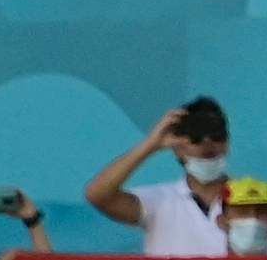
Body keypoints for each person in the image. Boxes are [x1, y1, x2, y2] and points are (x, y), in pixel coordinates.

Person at [84, 96, 252, 251]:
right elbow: (98, 195)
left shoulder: (256, 202)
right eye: (196, 137)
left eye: (217, 136)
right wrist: (151, 145)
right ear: (177, 149)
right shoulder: (158, 201)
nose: (207, 143)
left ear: (227, 143)